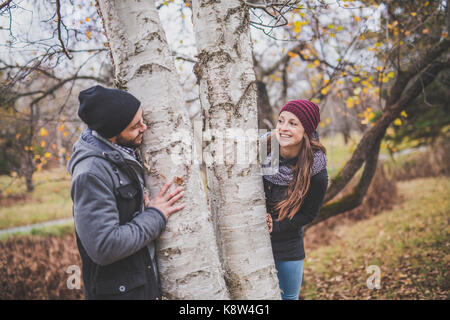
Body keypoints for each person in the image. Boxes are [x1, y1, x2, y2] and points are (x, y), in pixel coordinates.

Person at [67, 85, 185, 300]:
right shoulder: (91, 174)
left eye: (142, 119)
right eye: (135, 126)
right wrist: (155, 216)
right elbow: (104, 246)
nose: (144, 127)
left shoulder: (122, 154)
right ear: (112, 135)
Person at [262, 99, 328, 300]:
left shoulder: (315, 171)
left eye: (293, 123)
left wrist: (277, 225)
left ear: (306, 131)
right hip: (250, 241)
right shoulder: (263, 150)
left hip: (287, 246)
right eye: (281, 121)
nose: (283, 128)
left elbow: (309, 214)